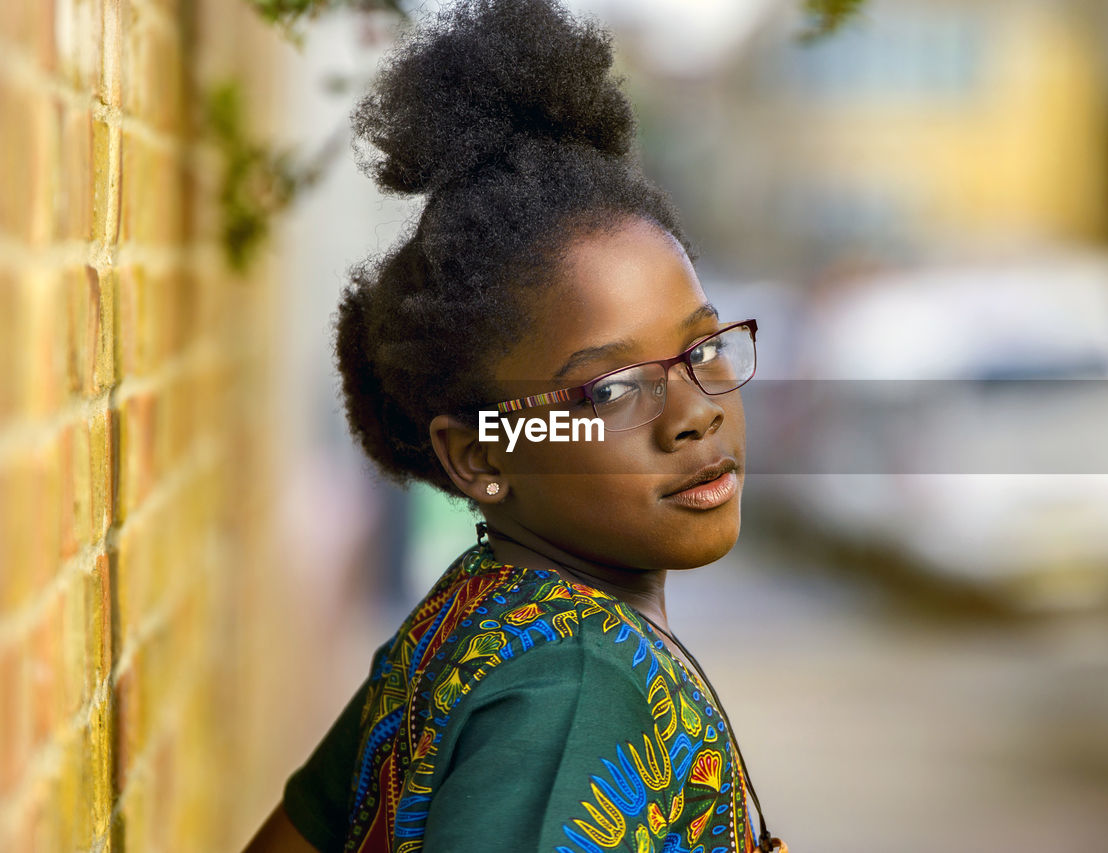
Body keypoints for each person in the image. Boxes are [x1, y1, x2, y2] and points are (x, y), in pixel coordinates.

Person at [242, 1, 783, 850]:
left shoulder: (466, 617)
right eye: (608, 391)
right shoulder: (578, 686)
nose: (695, 411)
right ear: (480, 454)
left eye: (703, 348)